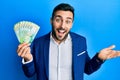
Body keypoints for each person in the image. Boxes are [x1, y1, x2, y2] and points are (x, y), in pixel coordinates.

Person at [17, 3, 120, 80]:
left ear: (72, 24)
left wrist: (99, 59)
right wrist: (28, 59)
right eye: (58, 20)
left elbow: (87, 69)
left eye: (67, 21)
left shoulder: (81, 41)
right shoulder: (38, 43)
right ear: (51, 20)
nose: (62, 26)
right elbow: (30, 73)